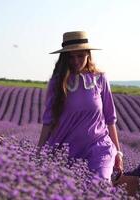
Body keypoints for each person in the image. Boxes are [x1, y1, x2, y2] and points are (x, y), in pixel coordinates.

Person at [37, 31, 124, 181]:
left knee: (99, 187)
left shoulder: (100, 79)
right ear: (65, 58)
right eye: (71, 57)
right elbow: (48, 121)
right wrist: (39, 152)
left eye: (80, 56)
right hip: (64, 151)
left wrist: (118, 152)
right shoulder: (57, 83)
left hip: (99, 147)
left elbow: (110, 118)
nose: (75, 61)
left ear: (88, 55)